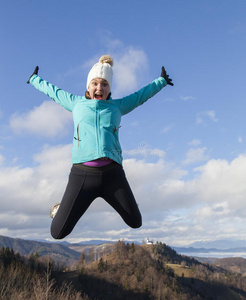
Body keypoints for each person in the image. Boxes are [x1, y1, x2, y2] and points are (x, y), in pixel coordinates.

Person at [27, 55, 173, 239]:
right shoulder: (76, 103)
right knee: (57, 233)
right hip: (83, 175)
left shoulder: (117, 106)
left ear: (109, 88)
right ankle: (61, 208)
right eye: (95, 83)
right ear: (88, 86)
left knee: (136, 222)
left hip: (113, 175)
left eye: (104, 84)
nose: (99, 88)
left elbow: (140, 96)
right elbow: (53, 92)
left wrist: (161, 81)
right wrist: (34, 79)